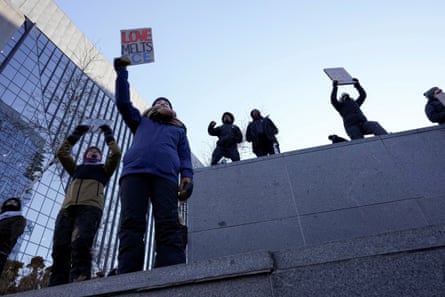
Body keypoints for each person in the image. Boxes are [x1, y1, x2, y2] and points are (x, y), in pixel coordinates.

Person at [113, 57, 194, 273]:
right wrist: (122, 73)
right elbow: (122, 103)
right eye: (158, 102)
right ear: (152, 107)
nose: (162, 104)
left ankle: (171, 272)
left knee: (168, 223)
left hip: (166, 177)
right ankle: (128, 273)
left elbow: (185, 156)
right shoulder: (141, 121)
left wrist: (187, 176)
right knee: (131, 223)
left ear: (172, 109)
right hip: (134, 174)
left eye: (166, 103)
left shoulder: (178, 130)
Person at [49, 124, 121, 286]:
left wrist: (108, 134)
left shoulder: (104, 170)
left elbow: (116, 153)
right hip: (67, 209)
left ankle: (79, 282)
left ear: (100, 157)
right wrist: (76, 134)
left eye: (97, 152)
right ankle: (56, 286)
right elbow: (62, 153)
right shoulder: (76, 169)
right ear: (84, 155)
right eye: (91, 151)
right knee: (60, 247)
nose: (94, 152)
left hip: (90, 208)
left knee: (81, 244)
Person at [0, 197, 26, 276]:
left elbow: (12, 233)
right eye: (9, 201)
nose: (12, 202)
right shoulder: (1, 217)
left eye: (15, 202)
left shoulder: (19, 219)